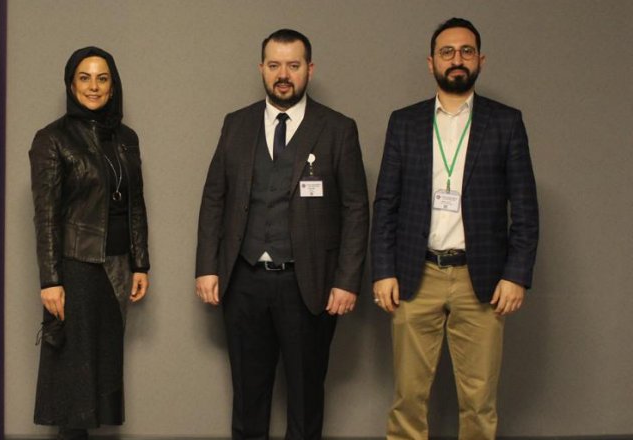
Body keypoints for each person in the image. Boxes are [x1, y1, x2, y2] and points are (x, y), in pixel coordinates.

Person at [195, 29, 369, 440]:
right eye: (274, 65)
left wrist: (347, 281)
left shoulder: (337, 129)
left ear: (310, 69)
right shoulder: (236, 124)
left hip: (307, 285)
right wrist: (207, 268)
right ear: (262, 69)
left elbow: (356, 209)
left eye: (293, 65)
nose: (283, 75)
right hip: (244, 281)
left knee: (306, 398)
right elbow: (214, 199)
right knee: (248, 397)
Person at [371, 18, 539, 440]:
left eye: (466, 51)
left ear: (481, 60)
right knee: (408, 397)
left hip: (481, 280)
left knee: (479, 400)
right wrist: (383, 270)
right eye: (447, 52)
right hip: (415, 275)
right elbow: (386, 203)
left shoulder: (505, 122)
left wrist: (516, 275)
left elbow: (524, 207)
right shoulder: (405, 122)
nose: (457, 59)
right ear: (431, 63)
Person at [29, 46, 150, 440]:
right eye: (84, 78)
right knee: (73, 376)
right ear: (71, 84)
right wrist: (50, 280)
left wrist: (140, 262)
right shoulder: (52, 138)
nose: (93, 86)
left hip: (116, 267)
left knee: (102, 369)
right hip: (75, 268)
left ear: (113, 86)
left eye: (102, 78)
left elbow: (135, 204)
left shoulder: (126, 138)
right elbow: (46, 215)